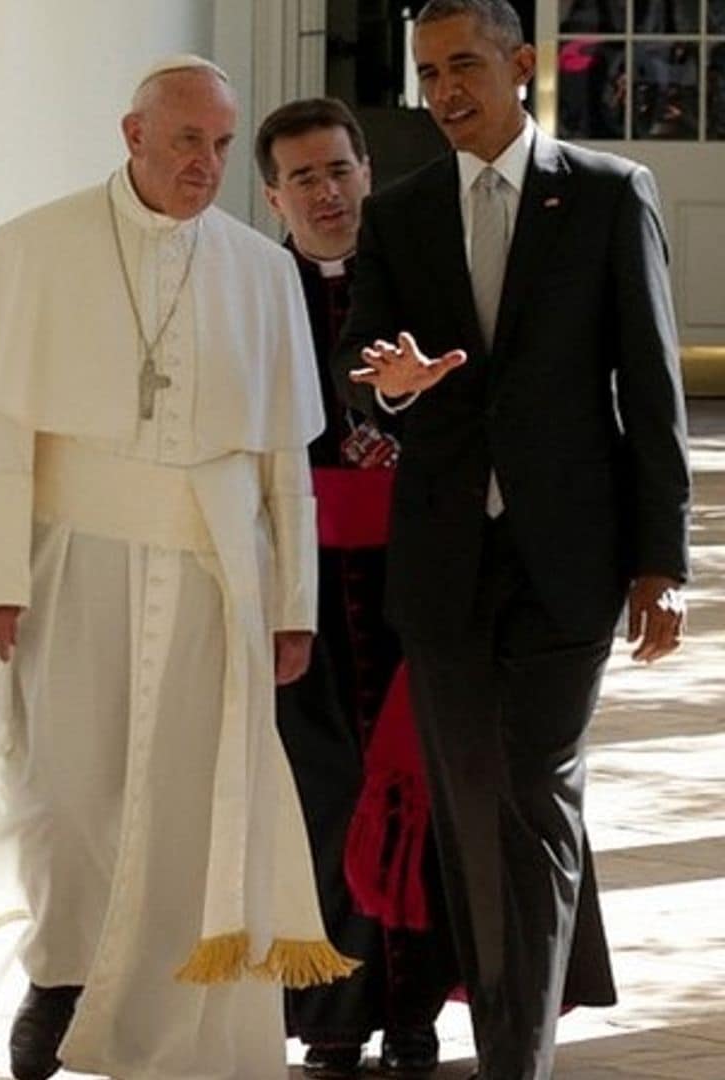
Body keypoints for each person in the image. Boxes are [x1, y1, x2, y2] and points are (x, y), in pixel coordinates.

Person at [0, 55, 352, 1080]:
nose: (207, 164)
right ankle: (61, 980)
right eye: (188, 140)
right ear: (133, 134)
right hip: (76, 561)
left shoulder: (261, 269)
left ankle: (181, 1012)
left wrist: (293, 607)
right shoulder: (35, 247)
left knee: (200, 796)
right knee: (65, 788)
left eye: (224, 145)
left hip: (217, 575)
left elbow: (285, 462)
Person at [332, 2, 688, 1075]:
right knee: (469, 809)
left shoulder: (609, 194)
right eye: (427, 71)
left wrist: (661, 562)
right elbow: (368, 367)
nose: (443, 90)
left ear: (521, 66)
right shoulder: (397, 216)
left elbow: (653, 388)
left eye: (464, 67)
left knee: (533, 799)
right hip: (443, 567)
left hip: (568, 564)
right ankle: (506, 1030)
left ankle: (510, 1057)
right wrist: (391, 389)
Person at [257, 96, 457, 1078]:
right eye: (303, 177)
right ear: (274, 194)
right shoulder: (252, 290)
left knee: (417, 794)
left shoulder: (424, 273)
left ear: (367, 172)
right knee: (323, 801)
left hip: (415, 578)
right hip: (298, 587)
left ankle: (415, 1016)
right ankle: (332, 1021)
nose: (326, 193)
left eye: (339, 169)